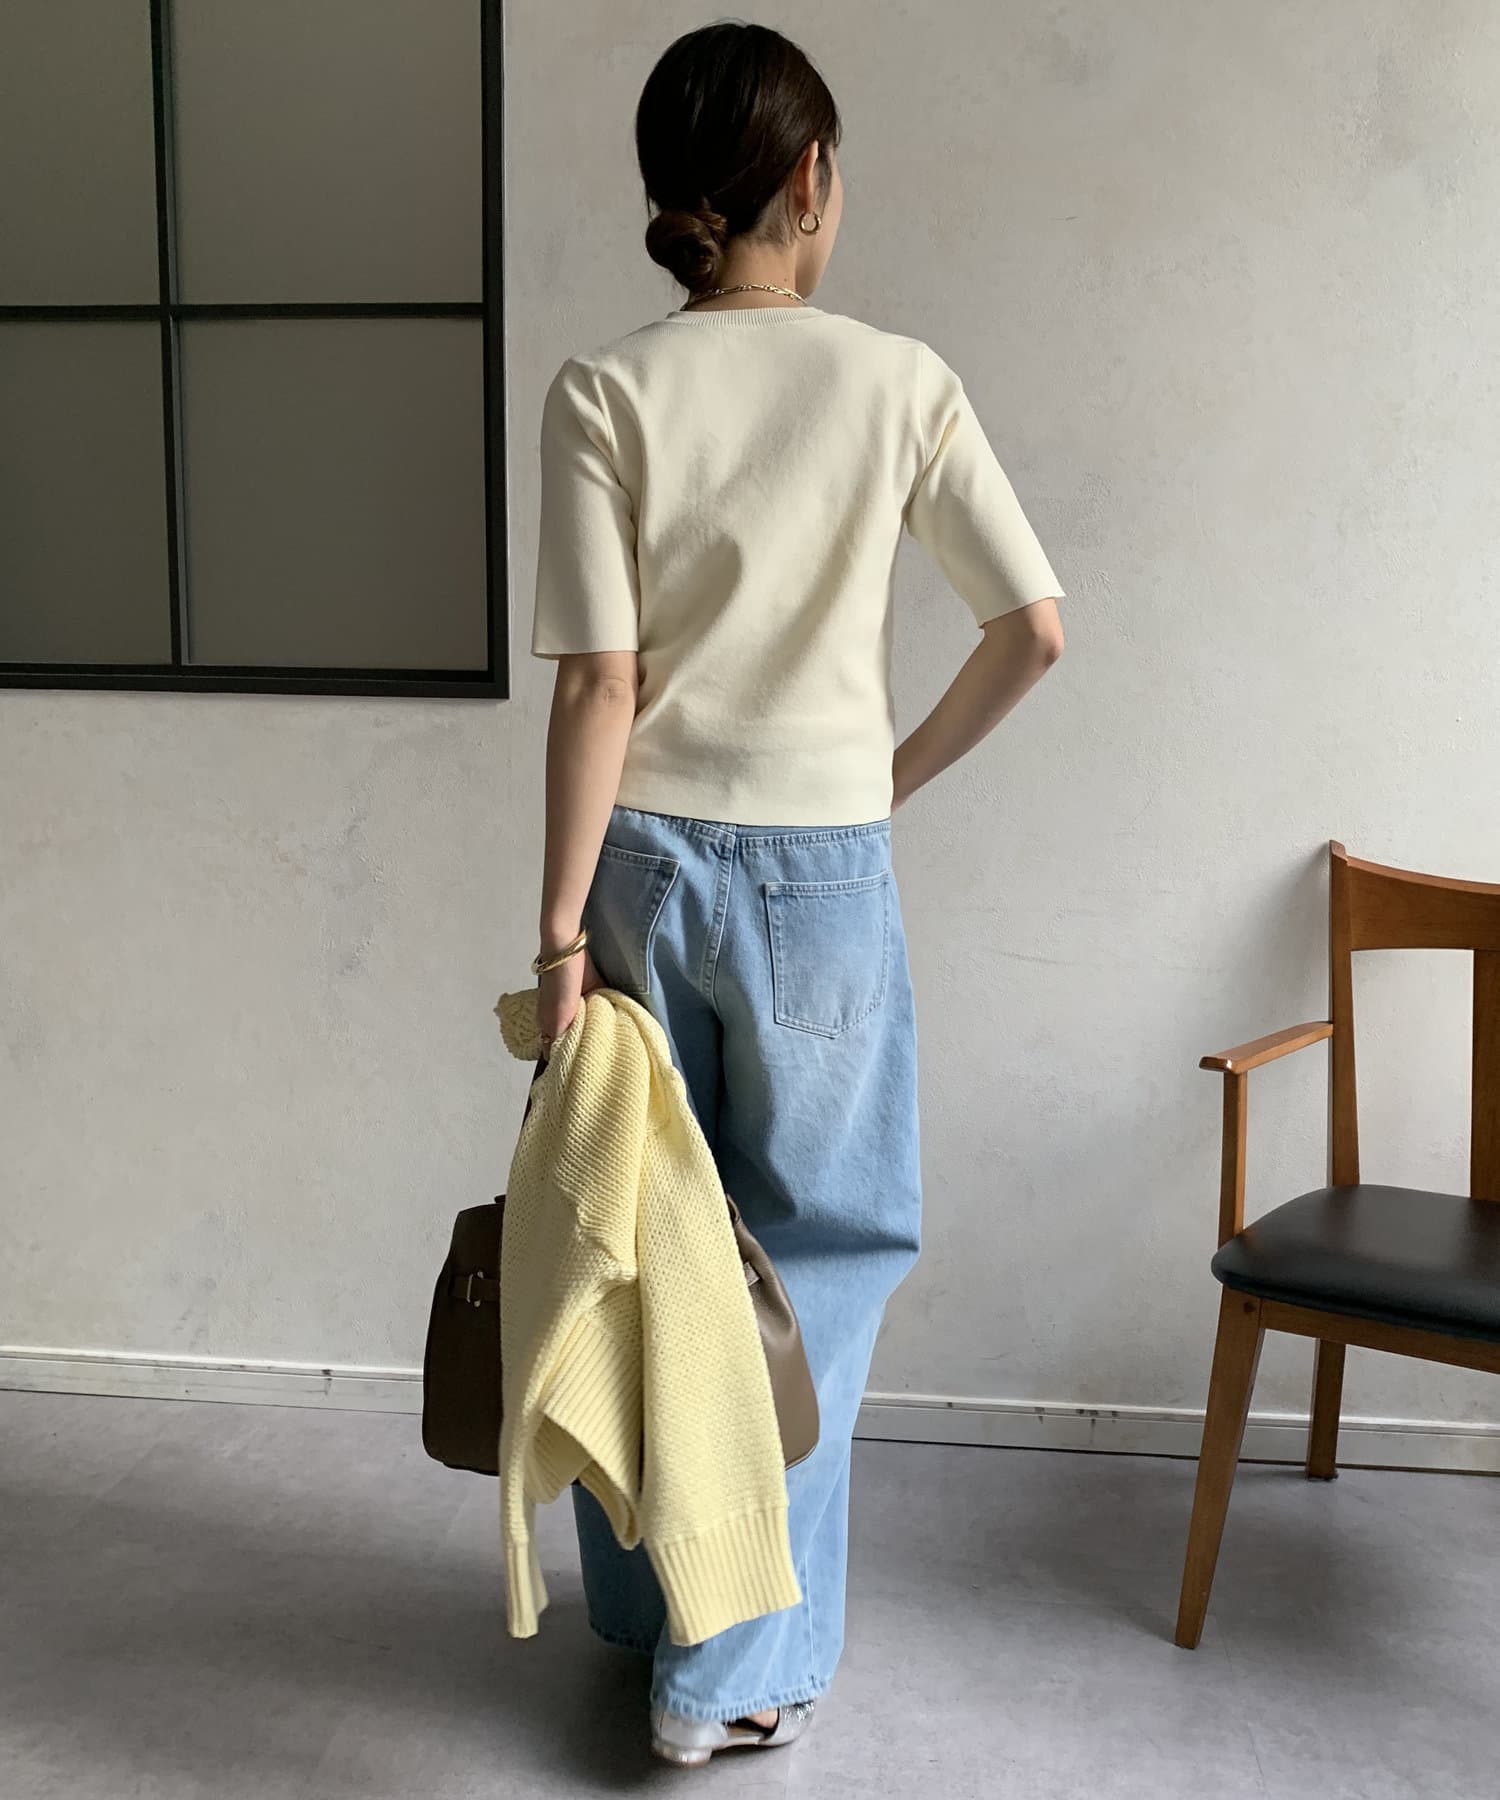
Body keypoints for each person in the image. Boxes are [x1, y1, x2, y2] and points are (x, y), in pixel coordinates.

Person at [526, 20, 1065, 1769]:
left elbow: (598, 683)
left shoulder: (604, 391)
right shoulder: (901, 382)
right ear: (813, 179)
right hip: (824, 874)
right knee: (816, 1256)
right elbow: (1033, 629)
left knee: (640, 1238)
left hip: (640, 858)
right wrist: (884, 778)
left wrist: (557, 932)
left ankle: (646, 1614)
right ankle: (728, 1671)